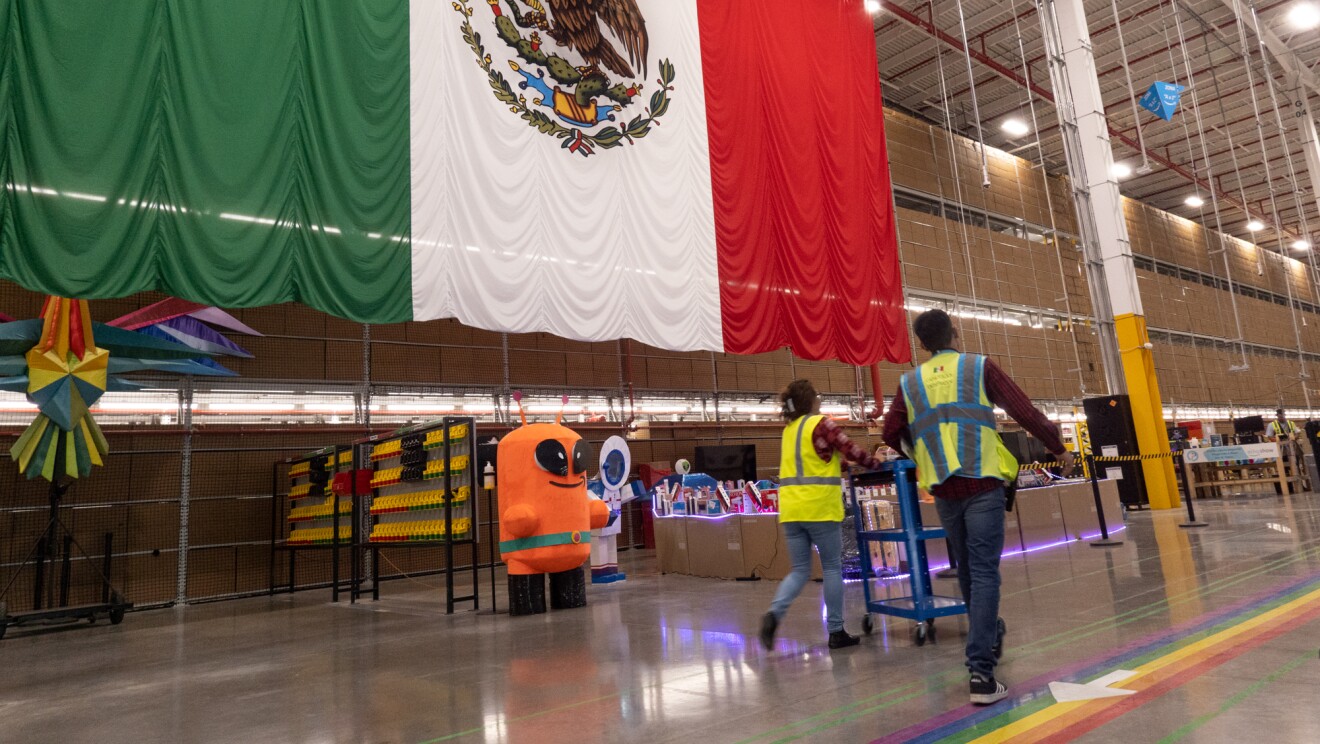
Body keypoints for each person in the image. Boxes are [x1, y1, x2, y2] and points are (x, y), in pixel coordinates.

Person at [882, 310, 1074, 705]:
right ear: (955, 333)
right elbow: (1023, 411)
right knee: (984, 572)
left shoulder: (909, 382)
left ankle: (989, 634)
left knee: (970, 570)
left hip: (944, 488)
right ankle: (981, 673)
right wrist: (1058, 447)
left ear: (921, 344)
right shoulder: (979, 367)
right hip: (982, 480)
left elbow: (889, 432)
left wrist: (922, 453)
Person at [760, 379, 884, 651]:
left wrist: (840, 464)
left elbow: (813, 461)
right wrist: (876, 463)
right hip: (819, 509)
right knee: (831, 568)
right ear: (811, 400)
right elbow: (851, 449)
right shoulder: (821, 424)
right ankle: (836, 631)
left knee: (799, 571)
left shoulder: (790, 431)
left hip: (791, 512)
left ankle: (774, 614)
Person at [1267, 409, 1299, 494]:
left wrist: (1293, 438)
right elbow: (1269, 436)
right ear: (1277, 415)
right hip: (1281, 450)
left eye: (1283, 415)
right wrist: (1278, 441)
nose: (1282, 417)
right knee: (1285, 469)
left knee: (1296, 467)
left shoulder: (1291, 423)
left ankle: (1299, 486)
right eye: (1280, 416)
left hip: (1292, 449)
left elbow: (1297, 433)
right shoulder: (1272, 425)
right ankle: (1289, 488)